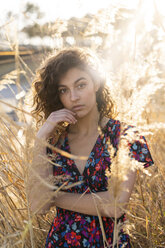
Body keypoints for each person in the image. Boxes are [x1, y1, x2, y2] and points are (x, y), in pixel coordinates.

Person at [29, 47, 154, 248]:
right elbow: (38, 205)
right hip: (61, 242)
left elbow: (115, 205)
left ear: (95, 83)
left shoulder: (123, 135)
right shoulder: (54, 142)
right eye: (63, 90)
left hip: (110, 243)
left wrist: (55, 197)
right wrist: (40, 139)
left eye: (80, 85)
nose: (73, 97)